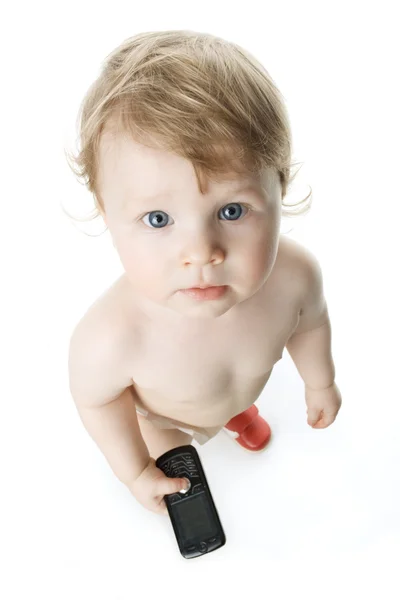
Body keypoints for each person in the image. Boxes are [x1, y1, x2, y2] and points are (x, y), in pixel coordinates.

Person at [65, 30, 342, 516]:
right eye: (158, 219)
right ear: (107, 214)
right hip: (163, 415)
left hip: (237, 387)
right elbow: (100, 402)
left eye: (233, 211)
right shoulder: (111, 338)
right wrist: (134, 470)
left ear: (280, 189)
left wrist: (320, 382)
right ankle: (183, 443)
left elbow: (312, 324)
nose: (201, 253)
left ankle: (240, 415)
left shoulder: (295, 277)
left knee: (234, 394)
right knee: (171, 447)